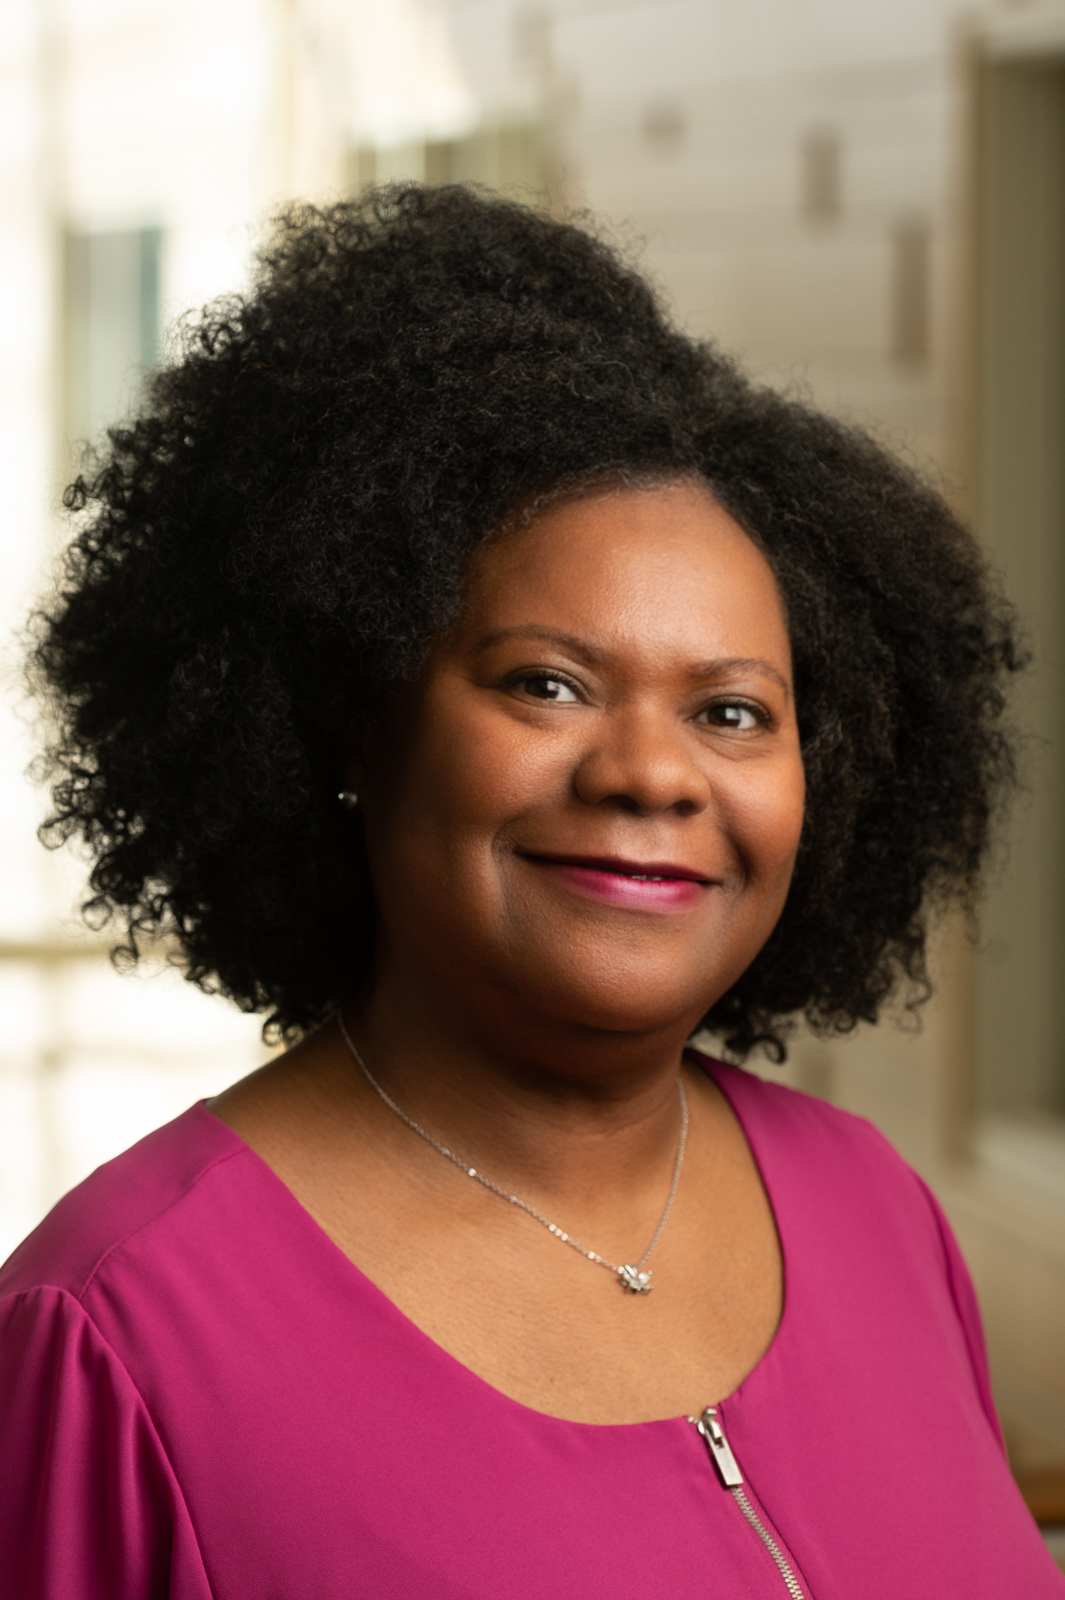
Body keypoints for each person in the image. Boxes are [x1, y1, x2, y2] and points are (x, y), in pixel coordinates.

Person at [1, 184, 1060, 1599]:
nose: (650, 775)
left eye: (733, 712)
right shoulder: (114, 1335)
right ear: (355, 729)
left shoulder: (874, 1209)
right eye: (545, 683)